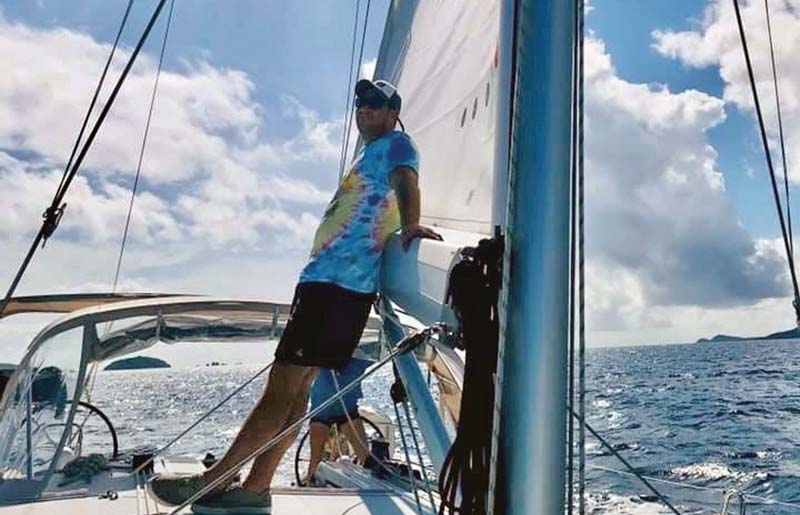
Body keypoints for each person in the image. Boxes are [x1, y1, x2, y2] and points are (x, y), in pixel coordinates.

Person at [150, 78, 442, 515]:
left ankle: (212, 481)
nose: (364, 108)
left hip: (333, 288)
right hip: (337, 289)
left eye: (375, 103)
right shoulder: (372, 152)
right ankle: (256, 486)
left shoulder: (397, 145)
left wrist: (413, 223)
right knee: (296, 392)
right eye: (360, 102)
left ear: (393, 111)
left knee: (280, 388)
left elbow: (407, 183)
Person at [303, 356, 373, 486]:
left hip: (326, 403)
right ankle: (311, 478)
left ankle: (310, 481)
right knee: (364, 457)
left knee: (315, 459)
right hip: (341, 404)